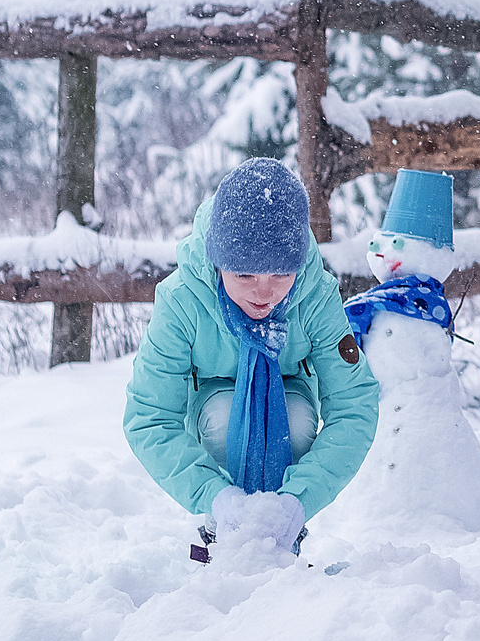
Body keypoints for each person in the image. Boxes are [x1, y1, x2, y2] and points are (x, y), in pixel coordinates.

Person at [123, 158, 380, 560]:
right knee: (225, 419)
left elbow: (354, 404)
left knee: (295, 420)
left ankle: (279, 530)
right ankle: (225, 526)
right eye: (244, 275)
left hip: (288, 394)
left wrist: (300, 499)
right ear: (219, 262)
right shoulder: (182, 299)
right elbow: (149, 415)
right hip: (211, 409)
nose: (264, 293)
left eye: (280, 275)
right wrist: (214, 496)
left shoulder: (316, 296)